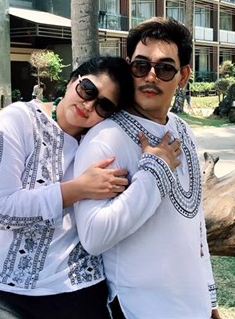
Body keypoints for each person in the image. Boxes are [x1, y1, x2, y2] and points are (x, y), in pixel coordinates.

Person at [0, 57, 175, 319]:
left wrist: (153, 162)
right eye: (87, 90)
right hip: (3, 289)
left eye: (103, 106)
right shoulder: (19, 119)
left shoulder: (102, 142)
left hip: (77, 285)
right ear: (72, 81)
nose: (88, 105)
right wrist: (77, 189)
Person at [74, 17, 220, 318]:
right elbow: (93, 236)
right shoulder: (106, 140)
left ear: (183, 75)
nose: (150, 76)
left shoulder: (182, 129)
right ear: (130, 67)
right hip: (138, 307)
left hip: (192, 304)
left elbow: (195, 225)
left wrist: (210, 298)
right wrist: (154, 171)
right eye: (141, 66)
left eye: (164, 68)